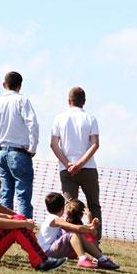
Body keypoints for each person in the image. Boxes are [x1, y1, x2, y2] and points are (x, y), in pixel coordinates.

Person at [50, 87, 102, 240]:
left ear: (68, 101)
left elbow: (53, 144)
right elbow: (95, 144)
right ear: (84, 102)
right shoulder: (90, 118)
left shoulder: (59, 118)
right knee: (93, 205)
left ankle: (71, 239)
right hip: (88, 167)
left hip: (66, 169)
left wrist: (68, 164)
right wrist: (79, 164)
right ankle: (95, 240)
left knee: (70, 206)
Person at [0, 71, 39, 218]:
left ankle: (5, 229)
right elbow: (33, 124)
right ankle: (23, 228)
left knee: (5, 194)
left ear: (4, 84)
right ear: (20, 86)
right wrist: (32, 147)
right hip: (19, 153)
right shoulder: (22, 101)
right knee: (23, 195)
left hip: (2, 152)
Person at [38, 193, 119, 269]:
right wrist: (90, 229)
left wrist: (90, 226)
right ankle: (83, 259)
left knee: (76, 232)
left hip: (48, 252)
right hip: (46, 254)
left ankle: (102, 259)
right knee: (74, 233)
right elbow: (76, 228)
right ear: (62, 208)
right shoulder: (55, 219)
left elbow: (76, 227)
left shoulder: (53, 219)